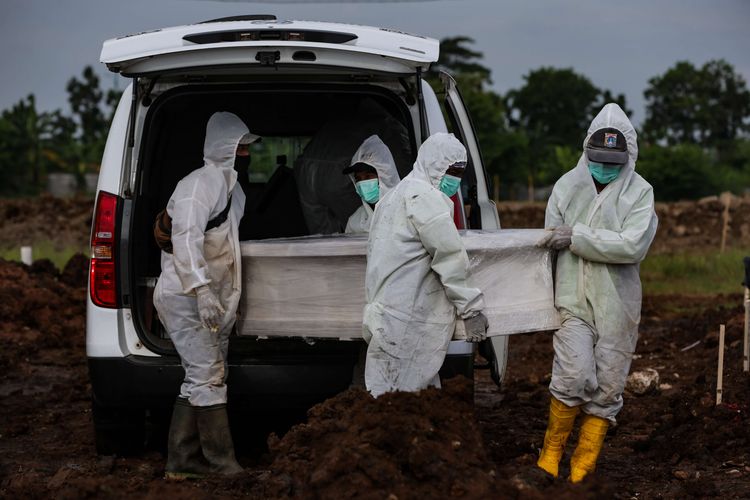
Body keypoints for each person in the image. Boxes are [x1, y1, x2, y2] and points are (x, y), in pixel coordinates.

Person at [535, 103, 657, 483]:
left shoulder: (640, 194)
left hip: (617, 305)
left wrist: (579, 237)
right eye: (597, 159)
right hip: (571, 300)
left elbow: (631, 246)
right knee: (574, 375)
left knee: (606, 388)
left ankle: (582, 469)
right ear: (586, 152)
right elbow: (552, 238)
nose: (604, 167)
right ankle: (550, 455)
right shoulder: (566, 187)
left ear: (628, 157)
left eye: (612, 161)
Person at [153, 111, 260, 479]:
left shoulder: (233, 188)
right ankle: (222, 463)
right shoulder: (200, 184)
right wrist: (200, 289)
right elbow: (185, 237)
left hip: (212, 299)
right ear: (225, 148)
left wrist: (218, 295)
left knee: (201, 376)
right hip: (186, 298)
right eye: (242, 148)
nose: (247, 155)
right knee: (208, 374)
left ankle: (182, 461)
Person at [362, 132, 489, 397]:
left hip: (386, 314)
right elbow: (450, 257)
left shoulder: (394, 197)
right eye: (452, 170)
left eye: (460, 172)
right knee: (398, 401)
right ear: (435, 164)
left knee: (400, 396)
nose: (456, 178)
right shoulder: (425, 199)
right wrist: (471, 308)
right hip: (409, 319)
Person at [342, 135, 400, 234]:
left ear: (384, 176)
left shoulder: (406, 211)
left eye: (368, 177)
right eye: (358, 179)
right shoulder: (355, 221)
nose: (362, 183)